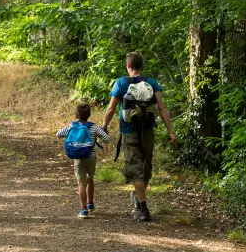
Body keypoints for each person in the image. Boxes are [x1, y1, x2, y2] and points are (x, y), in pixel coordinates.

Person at [101, 52, 176, 222]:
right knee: (145, 164)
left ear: (128, 65)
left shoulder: (121, 82)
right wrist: (170, 131)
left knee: (135, 167)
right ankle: (139, 196)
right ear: (141, 66)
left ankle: (142, 207)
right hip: (148, 130)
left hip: (128, 131)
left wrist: (104, 126)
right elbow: (162, 107)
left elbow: (111, 108)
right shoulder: (151, 82)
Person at [56, 102, 110, 219]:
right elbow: (106, 140)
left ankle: (83, 210)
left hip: (78, 158)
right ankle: (90, 203)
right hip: (91, 157)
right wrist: (105, 132)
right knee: (90, 179)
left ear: (76, 116)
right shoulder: (94, 127)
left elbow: (58, 134)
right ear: (89, 115)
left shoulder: (72, 126)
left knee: (81, 183)